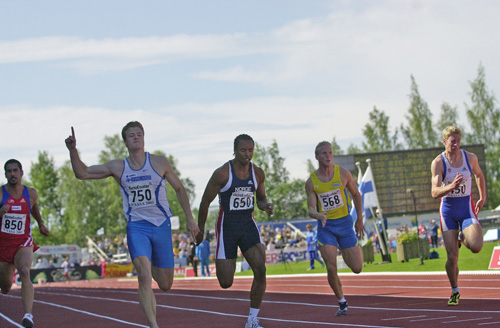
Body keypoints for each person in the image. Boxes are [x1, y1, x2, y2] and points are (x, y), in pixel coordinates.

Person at [65, 122, 199, 328]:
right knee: (144, 277)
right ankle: (153, 325)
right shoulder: (118, 167)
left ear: (144, 138)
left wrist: (190, 218)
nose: (136, 137)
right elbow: (82, 173)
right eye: (131, 135)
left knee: (165, 284)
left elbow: (180, 189)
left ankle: (152, 259)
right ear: (125, 141)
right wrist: (73, 150)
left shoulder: (159, 162)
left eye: (139, 134)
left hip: (161, 225)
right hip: (137, 227)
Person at [197, 134, 273, 328]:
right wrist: (200, 230)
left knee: (261, 269)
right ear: (235, 150)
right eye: (243, 150)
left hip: (248, 225)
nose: (248, 154)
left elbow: (261, 198)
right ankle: (227, 258)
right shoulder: (222, 173)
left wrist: (266, 206)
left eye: (251, 150)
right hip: (227, 227)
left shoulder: (257, 173)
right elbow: (205, 202)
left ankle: (252, 320)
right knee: (225, 282)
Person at [305, 141, 364, 317]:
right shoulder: (312, 182)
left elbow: (356, 194)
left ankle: (347, 249)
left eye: (330, 152)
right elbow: (310, 208)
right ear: (317, 157)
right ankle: (342, 301)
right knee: (331, 267)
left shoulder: (343, 174)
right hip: (326, 227)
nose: (328, 156)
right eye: (323, 153)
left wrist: (359, 219)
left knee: (357, 268)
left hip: (345, 224)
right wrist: (318, 215)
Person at [431, 126, 486, 306]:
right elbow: (434, 192)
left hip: (466, 208)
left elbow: (479, 175)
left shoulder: (469, 158)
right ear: (444, 141)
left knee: (477, 246)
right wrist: (450, 187)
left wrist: (482, 197)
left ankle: (462, 237)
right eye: (452, 141)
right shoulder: (438, 163)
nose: (455, 144)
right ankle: (455, 289)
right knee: (452, 257)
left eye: (458, 141)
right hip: (448, 211)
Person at [0, 159, 50, 328]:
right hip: (3, 245)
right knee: (5, 287)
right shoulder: (0, 194)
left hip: (23, 241)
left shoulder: (31, 193)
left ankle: (28, 315)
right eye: (8, 171)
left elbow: (34, 207)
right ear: (5, 174)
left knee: (24, 271)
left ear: (21, 173)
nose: (12, 174)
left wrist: (41, 223)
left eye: (15, 171)